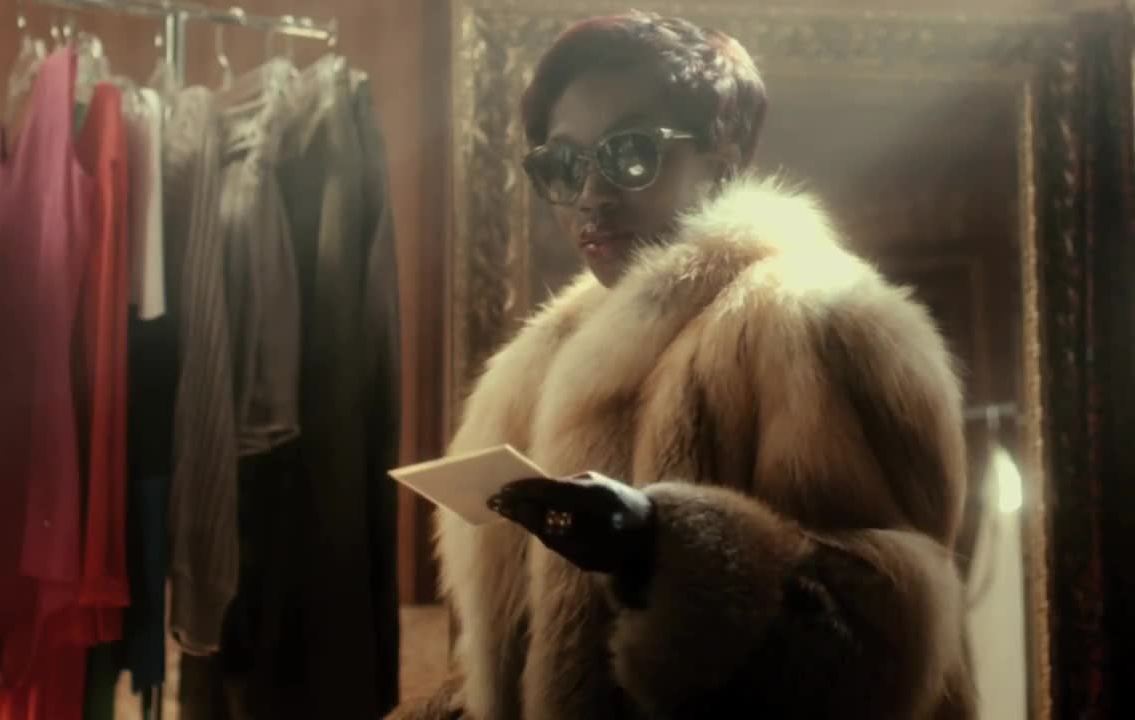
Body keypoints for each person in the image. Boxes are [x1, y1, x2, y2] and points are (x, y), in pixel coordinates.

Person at [392, 11, 973, 720]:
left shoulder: (816, 322)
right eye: (564, 164)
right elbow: (531, 667)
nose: (591, 194)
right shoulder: (535, 367)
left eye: (631, 154)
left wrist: (664, 546)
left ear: (721, 157)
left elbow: (893, 630)